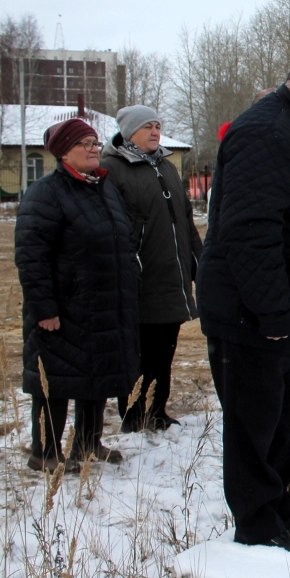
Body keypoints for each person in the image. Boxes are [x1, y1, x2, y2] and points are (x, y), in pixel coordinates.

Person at [196, 53, 290, 554]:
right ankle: (256, 520)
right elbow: (250, 231)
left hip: (286, 316)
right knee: (254, 419)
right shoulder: (266, 133)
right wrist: (275, 312)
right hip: (253, 316)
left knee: (284, 414)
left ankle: (280, 500)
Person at [15, 116, 140, 472]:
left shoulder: (103, 189)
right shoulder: (47, 193)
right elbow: (31, 256)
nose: (92, 149)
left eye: (94, 143)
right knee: (54, 380)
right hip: (64, 308)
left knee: (96, 374)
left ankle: (88, 443)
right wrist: (43, 308)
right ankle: (46, 453)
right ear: (62, 153)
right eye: (83, 144)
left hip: (101, 306)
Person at [101, 105, 203, 432]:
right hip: (141, 277)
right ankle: (134, 415)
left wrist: (199, 262)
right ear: (130, 132)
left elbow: (185, 220)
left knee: (164, 351)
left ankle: (157, 411)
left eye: (158, 125)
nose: (155, 131)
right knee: (139, 354)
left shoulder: (167, 166)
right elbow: (110, 226)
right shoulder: (112, 169)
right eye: (147, 126)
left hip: (172, 276)